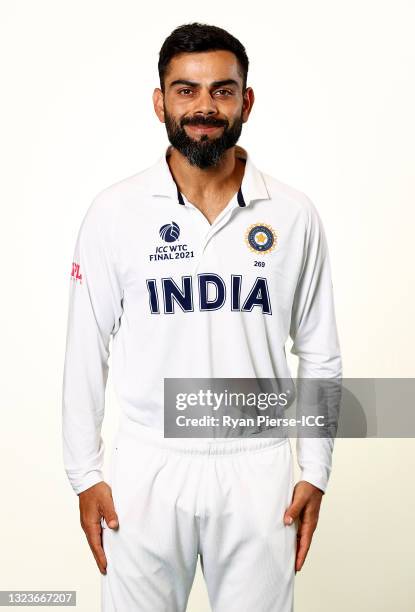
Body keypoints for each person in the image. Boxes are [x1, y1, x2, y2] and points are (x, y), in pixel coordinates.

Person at [62, 22, 342, 612]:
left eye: (222, 90)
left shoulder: (293, 215)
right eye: (186, 90)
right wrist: (84, 475)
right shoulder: (115, 213)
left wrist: (315, 467)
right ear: (160, 101)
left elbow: (318, 350)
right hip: (147, 464)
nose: (204, 107)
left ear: (247, 101)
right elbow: (86, 348)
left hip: (258, 466)